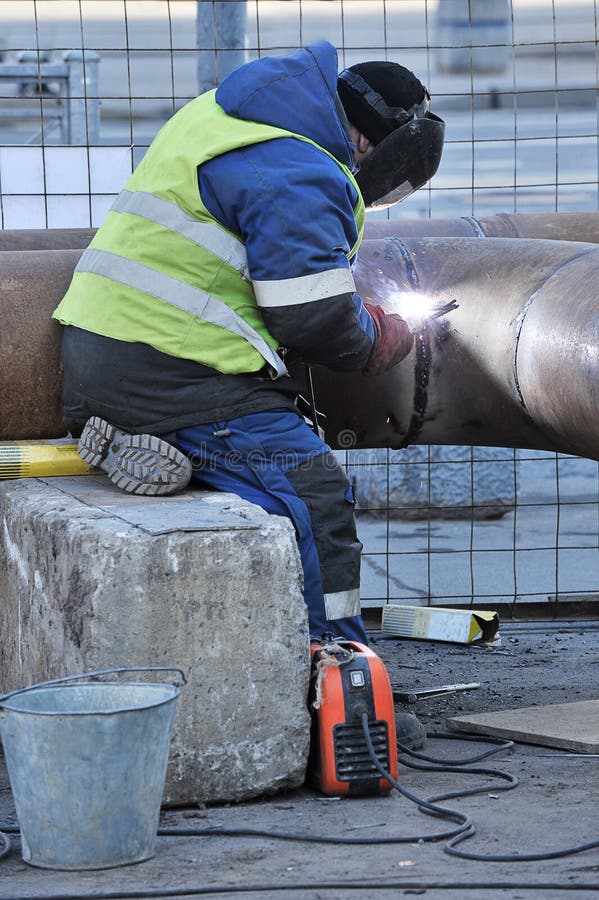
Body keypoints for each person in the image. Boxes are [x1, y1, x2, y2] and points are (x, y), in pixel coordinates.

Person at [53, 40, 444, 646]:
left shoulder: (226, 114)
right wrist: (379, 338)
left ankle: (158, 446)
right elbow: (311, 319)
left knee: (256, 478)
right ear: (372, 145)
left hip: (102, 354)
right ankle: (340, 664)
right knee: (317, 496)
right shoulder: (301, 167)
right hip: (180, 375)